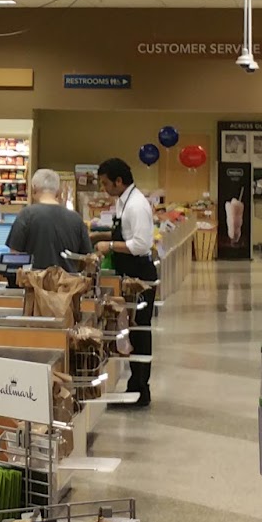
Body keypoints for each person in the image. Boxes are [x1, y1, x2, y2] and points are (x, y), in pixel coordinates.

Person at [93, 157, 157, 409]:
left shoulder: (136, 205)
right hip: (127, 273)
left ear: (119, 181)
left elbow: (140, 244)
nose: (104, 188)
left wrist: (109, 245)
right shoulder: (123, 201)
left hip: (139, 275)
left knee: (140, 331)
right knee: (129, 330)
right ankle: (134, 386)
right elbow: (125, 234)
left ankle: (141, 389)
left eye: (105, 183)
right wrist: (99, 235)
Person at [7, 169, 91, 270]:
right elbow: (86, 259)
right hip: (68, 279)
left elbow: (14, 257)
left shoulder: (26, 215)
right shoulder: (76, 219)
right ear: (58, 191)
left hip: (34, 279)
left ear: (34, 188)